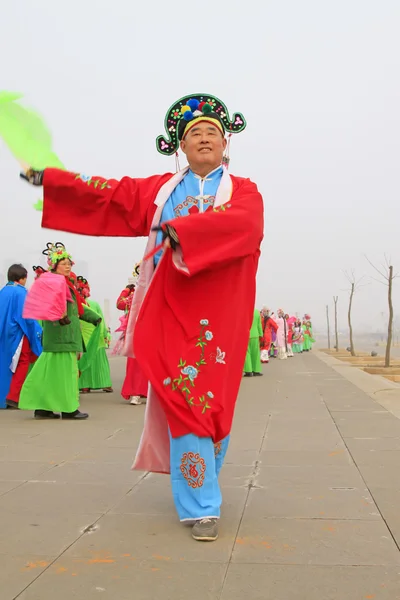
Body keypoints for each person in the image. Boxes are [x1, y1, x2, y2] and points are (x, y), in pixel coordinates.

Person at [20, 93, 264, 542]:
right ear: (180, 147)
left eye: (212, 132)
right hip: (171, 309)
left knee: (214, 409)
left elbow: (246, 226)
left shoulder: (244, 191)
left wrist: (183, 231)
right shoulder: (162, 191)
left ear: (226, 143)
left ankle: (202, 480)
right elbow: (109, 194)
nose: (204, 139)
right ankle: (202, 505)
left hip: (220, 317)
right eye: (195, 134)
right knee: (185, 402)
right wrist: (53, 182)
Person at [19, 243, 101, 419]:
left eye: (69, 263)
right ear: (54, 265)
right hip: (60, 337)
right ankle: (68, 408)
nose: (68, 266)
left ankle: (43, 408)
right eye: (63, 263)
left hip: (63, 337)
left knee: (50, 375)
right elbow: (47, 306)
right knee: (66, 375)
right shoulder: (50, 282)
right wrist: (58, 316)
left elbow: (76, 307)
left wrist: (94, 317)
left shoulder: (66, 283)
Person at [0, 264, 42, 409]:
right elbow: (27, 317)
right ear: (23, 278)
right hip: (17, 333)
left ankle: (4, 396)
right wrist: (38, 331)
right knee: (22, 362)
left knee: (4, 363)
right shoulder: (21, 293)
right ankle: (13, 396)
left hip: (3, 333)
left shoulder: (3, 291)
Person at [115, 264, 148, 405]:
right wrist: (127, 290)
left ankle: (145, 392)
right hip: (136, 331)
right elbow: (120, 304)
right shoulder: (135, 293)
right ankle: (136, 392)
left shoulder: (154, 289)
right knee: (135, 362)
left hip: (151, 329)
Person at [76, 276, 113, 393]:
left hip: (83, 336)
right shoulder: (94, 304)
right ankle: (105, 383)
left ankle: (84, 385)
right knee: (99, 361)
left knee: (84, 360)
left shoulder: (77, 305)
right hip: (96, 336)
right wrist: (105, 334)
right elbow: (100, 320)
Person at [243, 308, 263, 377]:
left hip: (246, 335)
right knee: (256, 353)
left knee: (247, 353)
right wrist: (261, 334)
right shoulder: (257, 312)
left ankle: (248, 371)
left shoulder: (244, 311)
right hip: (255, 335)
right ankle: (256, 370)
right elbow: (259, 324)